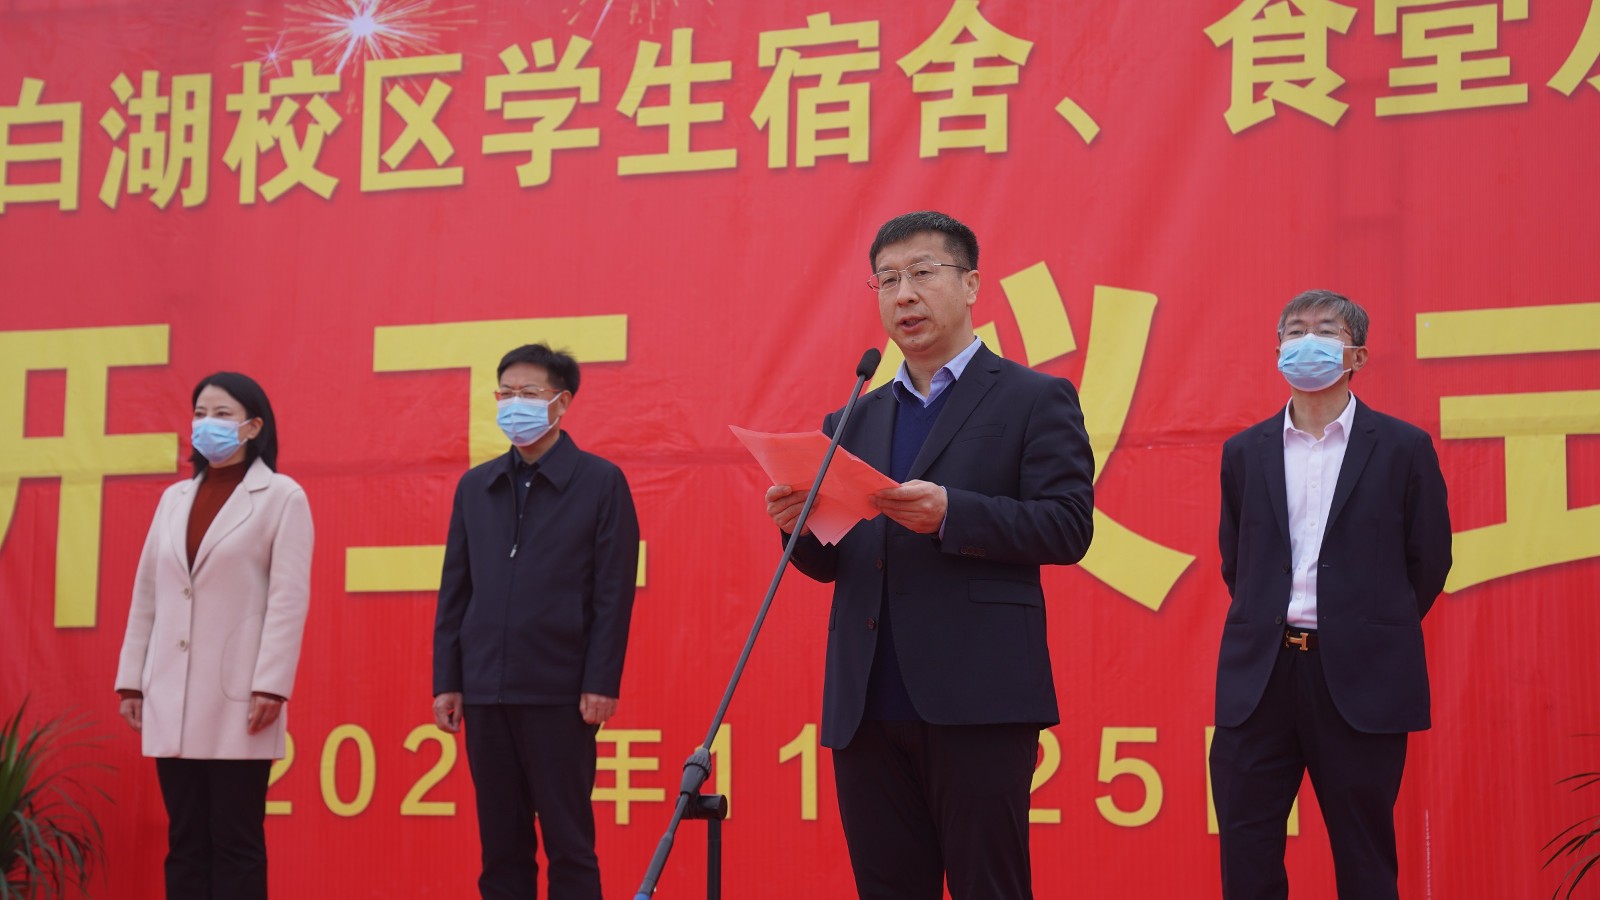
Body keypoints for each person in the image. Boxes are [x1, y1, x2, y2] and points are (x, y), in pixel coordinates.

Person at [763, 211, 1096, 899]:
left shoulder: (1034, 398)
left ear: (971, 284)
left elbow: (1068, 527)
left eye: (922, 273)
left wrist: (954, 513)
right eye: (886, 280)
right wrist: (798, 529)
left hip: (978, 699)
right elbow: (833, 562)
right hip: (867, 704)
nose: (904, 295)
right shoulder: (851, 418)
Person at [1209, 290, 1453, 899]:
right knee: (1247, 851)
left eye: (1325, 331)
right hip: (1261, 677)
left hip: (1361, 676)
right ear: (1277, 351)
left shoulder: (1403, 448)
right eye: (1295, 332)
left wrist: (1363, 622)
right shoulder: (1244, 452)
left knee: (1364, 856)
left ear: (1357, 355)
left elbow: (1427, 561)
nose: (1307, 342)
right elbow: (1238, 562)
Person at [431, 343, 640, 900]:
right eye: (505, 394)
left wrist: (601, 682)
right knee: (501, 848)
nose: (513, 405)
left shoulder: (600, 482)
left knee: (570, 845)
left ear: (562, 402)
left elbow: (613, 593)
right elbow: (455, 592)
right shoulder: (476, 486)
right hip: (485, 691)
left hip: (561, 692)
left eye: (528, 393)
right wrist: (448, 680)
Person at [114, 372, 313, 900]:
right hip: (171, 692)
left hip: (238, 695)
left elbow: (288, 600)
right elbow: (148, 592)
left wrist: (271, 684)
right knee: (185, 840)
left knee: (235, 841)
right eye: (200, 413)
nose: (208, 424)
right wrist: (132, 680)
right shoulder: (174, 498)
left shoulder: (282, 497)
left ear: (253, 427)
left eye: (223, 415)